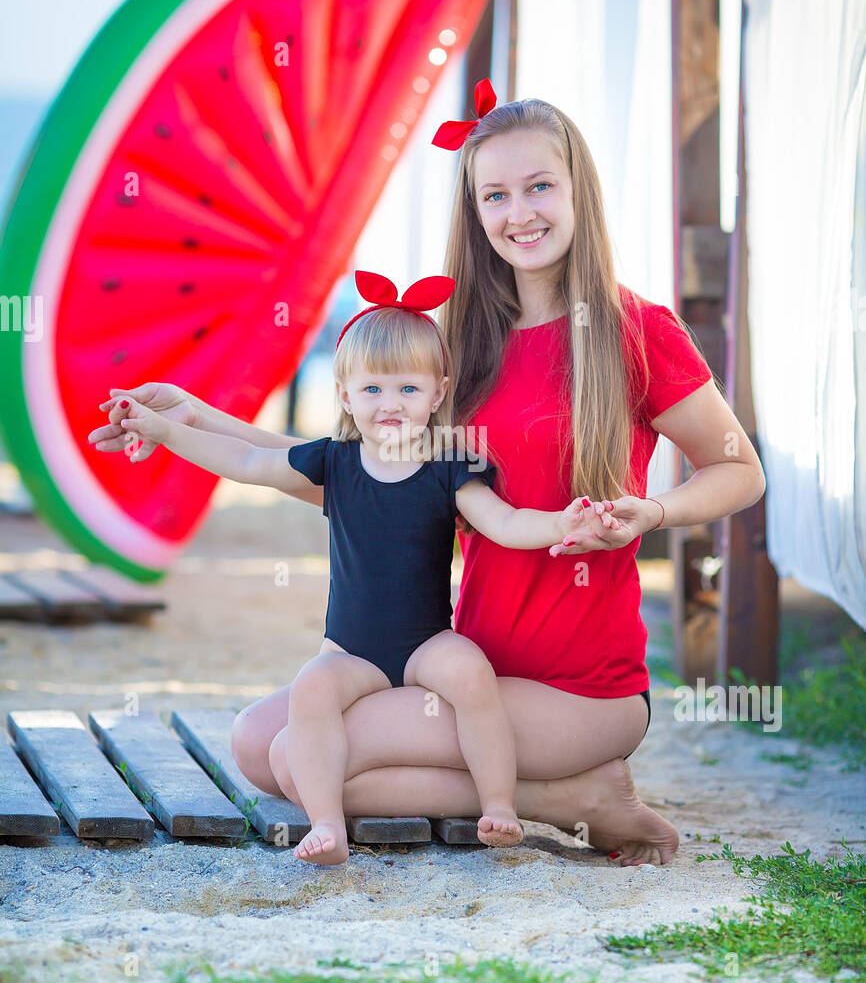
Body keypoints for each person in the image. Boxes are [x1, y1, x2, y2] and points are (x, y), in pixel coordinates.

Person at [88, 81, 765, 868]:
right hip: (465, 659)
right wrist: (191, 420)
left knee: (296, 764)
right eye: (496, 195)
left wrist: (652, 512)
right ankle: (559, 794)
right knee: (252, 741)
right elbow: (358, 479)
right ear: (475, 212)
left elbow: (736, 470)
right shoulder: (460, 349)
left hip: (582, 690)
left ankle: (573, 797)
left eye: (541, 186)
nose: (521, 213)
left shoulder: (638, 330)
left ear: (579, 189)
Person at [104, 267, 596, 864]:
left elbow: (506, 523)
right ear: (344, 395)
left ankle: (498, 806)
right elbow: (245, 461)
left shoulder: (448, 467)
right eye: (373, 390)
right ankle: (327, 825)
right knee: (311, 689)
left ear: (438, 393)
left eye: (408, 390)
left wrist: (563, 524)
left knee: (472, 675)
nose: (390, 404)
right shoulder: (334, 464)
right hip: (350, 651)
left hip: (426, 643)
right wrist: (163, 428)